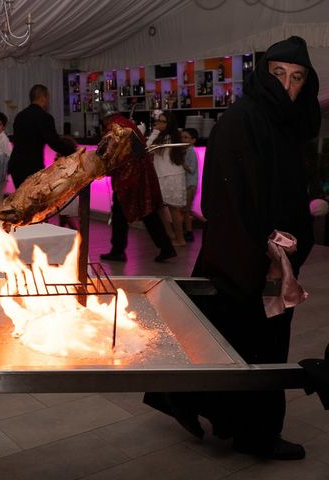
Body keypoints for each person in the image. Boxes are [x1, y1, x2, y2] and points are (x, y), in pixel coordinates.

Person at [144, 36, 321, 461]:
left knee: (224, 336)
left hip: (268, 253)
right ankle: (255, 435)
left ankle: (183, 399)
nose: (287, 85)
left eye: (296, 78)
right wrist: (262, 256)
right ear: (263, 75)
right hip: (250, 255)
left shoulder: (287, 122)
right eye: (278, 74)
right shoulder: (244, 118)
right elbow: (227, 198)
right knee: (258, 345)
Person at [98, 103, 176, 263]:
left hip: (129, 176)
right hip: (139, 173)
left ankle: (119, 250)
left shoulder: (114, 127)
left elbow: (111, 153)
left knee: (130, 212)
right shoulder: (125, 123)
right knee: (144, 211)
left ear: (104, 118)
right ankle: (165, 247)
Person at [7, 84, 76, 189]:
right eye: (48, 98)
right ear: (43, 98)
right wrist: (73, 151)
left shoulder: (20, 116)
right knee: (33, 201)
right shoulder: (44, 117)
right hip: (31, 167)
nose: (48, 101)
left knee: (21, 201)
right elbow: (54, 142)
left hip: (16, 165)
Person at [147, 111, 187, 246]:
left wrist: (155, 133)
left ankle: (180, 239)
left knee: (173, 209)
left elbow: (148, 147)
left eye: (163, 121)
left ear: (169, 123)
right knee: (160, 207)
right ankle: (171, 235)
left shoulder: (171, 138)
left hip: (172, 176)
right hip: (162, 175)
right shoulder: (162, 137)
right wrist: (156, 132)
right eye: (159, 121)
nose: (159, 124)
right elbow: (149, 149)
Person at [180, 128, 199, 242]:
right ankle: (188, 230)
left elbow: (191, 169)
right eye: (182, 137)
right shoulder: (186, 150)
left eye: (186, 137)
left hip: (190, 184)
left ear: (193, 140)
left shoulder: (191, 151)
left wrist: (181, 162)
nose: (183, 139)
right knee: (186, 209)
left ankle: (189, 232)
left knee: (186, 210)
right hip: (188, 183)